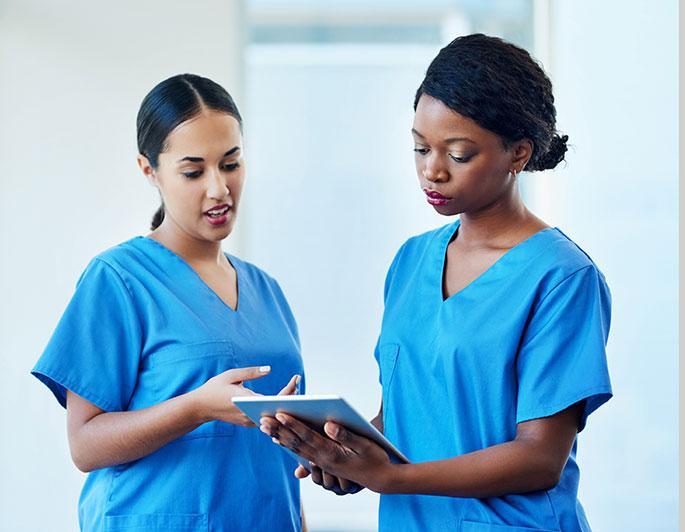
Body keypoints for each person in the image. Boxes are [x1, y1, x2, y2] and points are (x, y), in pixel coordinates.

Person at [259, 34, 612, 532]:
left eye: (459, 153)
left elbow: (539, 458)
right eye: (420, 147)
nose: (432, 170)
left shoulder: (562, 278)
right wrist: (343, 452)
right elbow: (405, 421)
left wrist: (390, 478)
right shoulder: (411, 262)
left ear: (519, 153)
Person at [32, 74, 306, 531]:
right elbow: (84, 445)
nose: (218, 189)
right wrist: (195, 407)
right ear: (149, 170)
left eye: (231, 164)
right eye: (194, 171)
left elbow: (278, 459)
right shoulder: (118, 279)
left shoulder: (267, 292)